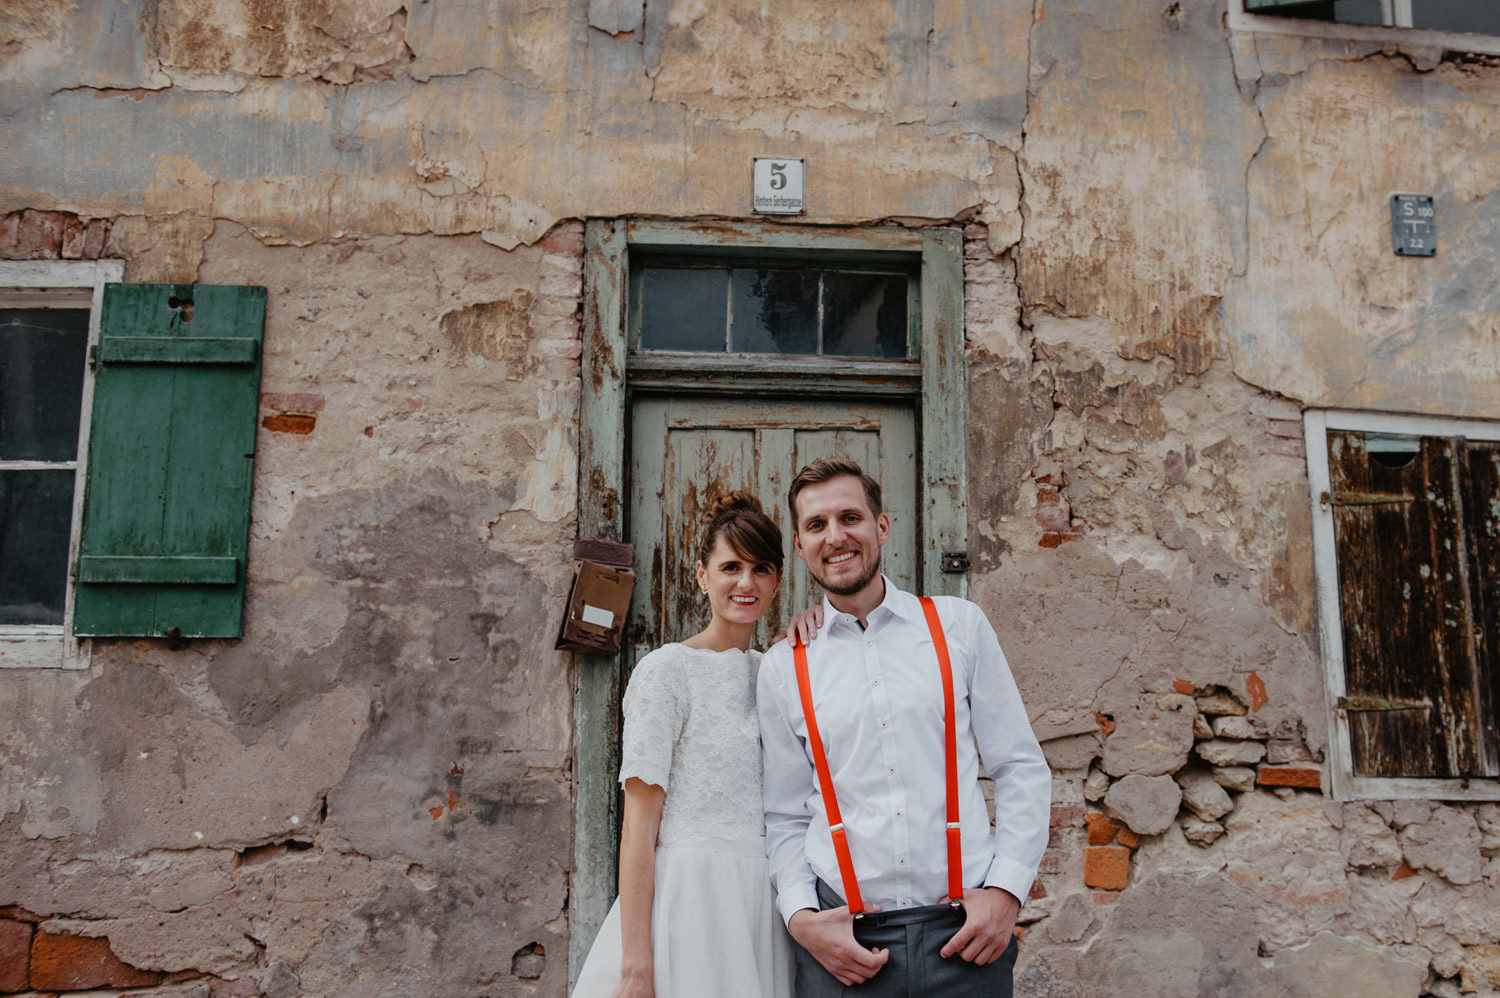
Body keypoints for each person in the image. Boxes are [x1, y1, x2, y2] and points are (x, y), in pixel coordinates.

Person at [757, 458, 1051, 997]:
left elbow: (1019, 766)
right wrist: (801, 917)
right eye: (816, 525)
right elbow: (783, 813)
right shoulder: (785, 665)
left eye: (850, 517)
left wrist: (1007, 892)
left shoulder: (959, 627)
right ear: (800, 546)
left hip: (965, 940)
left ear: (882, 527)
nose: (836, 536)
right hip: (843, 951)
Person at [572, 492, 797, 998]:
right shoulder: (667, 671)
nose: (746, 583)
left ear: (778, 580)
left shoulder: (777, 673)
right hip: (690, 901)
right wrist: (636, 961)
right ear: (701, 574)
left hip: (763, 904)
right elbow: (639, 826)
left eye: (761, 569)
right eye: (731, 567)